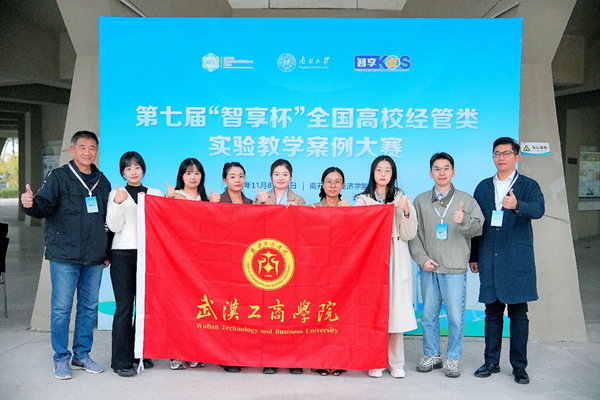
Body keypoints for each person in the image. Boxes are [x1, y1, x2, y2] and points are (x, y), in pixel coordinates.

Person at [21, 130, 111, 380]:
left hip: (94, 256)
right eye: (82, 147)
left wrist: (106, 251)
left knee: (89, 308)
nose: (87, 152)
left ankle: (81, 355)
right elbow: (44, 206)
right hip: (64, 255)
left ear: (96, 151)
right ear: (72, 150)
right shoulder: (58, 176)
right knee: (61, 308)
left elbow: (108, 220)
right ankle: (61, 357)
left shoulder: (103, 181)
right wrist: (30, 204)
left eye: (92, 148)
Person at [469, 137, 545, 385]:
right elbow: (477, 224)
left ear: (517, 156)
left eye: (506, 153)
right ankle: (491, 362)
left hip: (516, 259)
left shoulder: (528, 185)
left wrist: (517, 205)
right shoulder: (483, 187)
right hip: (489, 258)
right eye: (496, 153)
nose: (501, 158)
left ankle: (519, 367)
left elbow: (539, 209)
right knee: (492, 314)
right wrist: (474, 255)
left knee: (519, 315)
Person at [409, 152, 484, 378]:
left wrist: (465, 221)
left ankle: (452, 358)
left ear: (453, 172)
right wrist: (422, 259)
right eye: (437, 168)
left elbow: (478, 228)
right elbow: (413, 233)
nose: (441, 172)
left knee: (455, 317)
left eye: (446, 168)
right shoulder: (420, 201)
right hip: (429, 268)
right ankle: (432, 355)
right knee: (428, 316)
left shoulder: (466, 200)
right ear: (430, 173)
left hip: (454, 268)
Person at [355, 155, 417, 379]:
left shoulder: (401, 198)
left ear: (393, 174)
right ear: (372, 173)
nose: (383, 174)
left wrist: (405, 212)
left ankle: (396, 362)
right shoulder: (362, 200)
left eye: (387, 170)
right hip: (372, 258)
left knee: (396, 311)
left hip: (396, 257)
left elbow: (409, 233)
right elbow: (357, 231)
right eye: (379, 169)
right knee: (374, 310)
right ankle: (375, 360)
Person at [106, 151, 162, 377]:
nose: (133, 171)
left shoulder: (155, 193)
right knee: (124, 307)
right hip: (123, 254)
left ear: (143, 169)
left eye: (137, 167)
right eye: (128, 168)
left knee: (145, 307)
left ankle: (141, 352)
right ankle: (121, 361)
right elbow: (113, 226)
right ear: (122, 172)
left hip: (149, 256)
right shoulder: (116, 193)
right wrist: (118, 204)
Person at [254, 158, 305, 375]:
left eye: (285, 174)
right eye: (276, 174)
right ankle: (270, 359)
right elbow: (249, 225)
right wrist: (258, 205)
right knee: (268, 313)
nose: (281, 178)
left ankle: (294, 359)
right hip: (267, 260)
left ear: (291, 177)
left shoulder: (299, 200)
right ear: (271, 177)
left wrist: (298, 213)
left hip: (291, 261)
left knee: (291, 312)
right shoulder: (262, 198)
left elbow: (307, 230)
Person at [165, 158, 208, 370]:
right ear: (181, 176)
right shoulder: (174, 196)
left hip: (201, 262)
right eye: (189, 172)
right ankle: (176, 354)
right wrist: (167, 201)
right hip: (178, 260)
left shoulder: (206, 200)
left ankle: (195, 352)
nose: (193, 177)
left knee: (198, 307)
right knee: (179, 306)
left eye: (197, 173)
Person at [210, 161, 251, 373]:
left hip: (246, 266)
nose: (238, 180)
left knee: (243, 309)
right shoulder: (217, 200)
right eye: (233, 176)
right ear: (224, 180)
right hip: (224, 264)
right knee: (227, 309)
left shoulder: (251, 203)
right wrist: (210, 207)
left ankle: (243, 352)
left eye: (241, 176)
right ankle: (226, 355)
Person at [310, 167, 350, 376]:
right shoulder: (313, 208)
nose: (333, 185)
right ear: (322, 184)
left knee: (340, 315)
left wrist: (351, 214)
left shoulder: (349, 209)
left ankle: (339, 359)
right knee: (319, 315)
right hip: (318, 270)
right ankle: (319, 360)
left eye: (337, 181)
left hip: (344, 270)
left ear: (343, 185)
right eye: (328, 181)